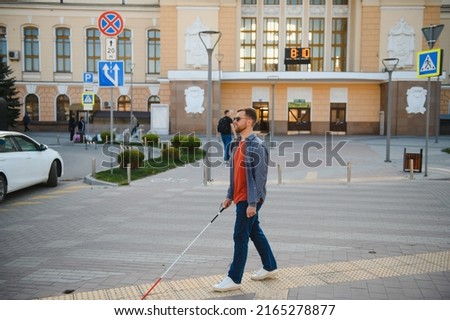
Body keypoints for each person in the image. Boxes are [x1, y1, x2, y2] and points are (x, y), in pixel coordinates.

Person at [213, 107, 278, 292]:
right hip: (239, 197)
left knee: (240, 236)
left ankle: (234, 278)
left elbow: (260, 178)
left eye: (238, 118)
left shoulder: (257, 145)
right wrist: (228, 195)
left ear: (249, 122)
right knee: (254, 232)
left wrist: (253, 203)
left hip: (249, 200)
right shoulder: (236, 144)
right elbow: (235, 175)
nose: (234, 121)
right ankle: (270, 266)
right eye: (234, 118)